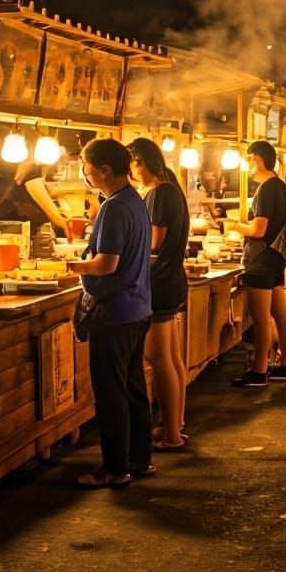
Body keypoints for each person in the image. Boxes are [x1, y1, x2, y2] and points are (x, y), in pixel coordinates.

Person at [67, 139, 154, 487]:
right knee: (133, 386)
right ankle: (140, 458)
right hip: (137, 308)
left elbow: (106, 264)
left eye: (86, 167)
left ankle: (116, 468)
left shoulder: (114, 207)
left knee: (111, 391)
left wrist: (75, 266)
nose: (84, 174)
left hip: (115, 312)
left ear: (103, 169)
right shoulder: (133, 201)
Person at [128, 137, 190, 450]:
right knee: (172, 357)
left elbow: (152, 242)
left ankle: (172, 435)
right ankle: (174, 424)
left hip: (159, 283)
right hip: (170, 281)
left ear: (141, 161)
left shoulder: (159, 193)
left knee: (157, 357)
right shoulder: (169, 189)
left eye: (132, 163)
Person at [225, 141, 286, 387]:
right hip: (274, 257)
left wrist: (234, 225)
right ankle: (284, 365)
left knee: (261, 317)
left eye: (249, 159)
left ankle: (259, 371)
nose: (248, 165)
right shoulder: (279, 185)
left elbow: (258, 229)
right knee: (279, 312)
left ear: (256, 158)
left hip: (260, 259)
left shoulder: (267, 188)